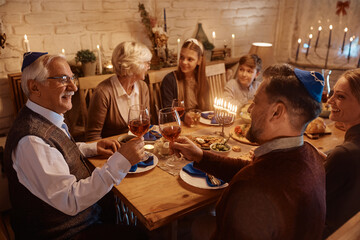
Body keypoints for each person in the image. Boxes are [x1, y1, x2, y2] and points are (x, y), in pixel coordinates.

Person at [171, 64, 326, 239]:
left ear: (276, 112)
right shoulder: (312, 155)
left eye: (255, 102)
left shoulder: (252, 188)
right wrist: (200, 156)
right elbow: (254, 169)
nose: (250, 110)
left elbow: (253, 177)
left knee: (198, 224)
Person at [4, 52, 147, 240]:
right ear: (35, 87)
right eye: (63, 79)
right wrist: (122, 161)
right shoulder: (31, 141)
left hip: (84, 219)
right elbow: (70, 200)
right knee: (142, 234)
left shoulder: (42, 117)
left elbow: (55, 152)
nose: (73, 87)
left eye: (72, 78)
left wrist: (92, 147)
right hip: (66, 233)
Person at [86, 41, 151, 141]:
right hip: (112, 151)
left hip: (135, 146)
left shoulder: (143, 87)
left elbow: (145, 123)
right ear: (134, 65)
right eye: (146, 63)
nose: (148, 66)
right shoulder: (103, 92)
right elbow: (92, 137)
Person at [323, 68, 360, 238]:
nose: (330, 100)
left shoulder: (344, 154)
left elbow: (307, 202)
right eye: (333, 94)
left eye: (340, 96)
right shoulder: (343, 153)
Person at [160, 38, 210, 125]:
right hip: (178, 127)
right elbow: (167, 113)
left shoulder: (203, 81)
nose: (184, 62)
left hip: (198, 126)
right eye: (182, 57)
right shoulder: (169, 80)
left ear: (199, 61)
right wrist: (184, 117)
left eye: (190, 59)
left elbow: (206, 109)